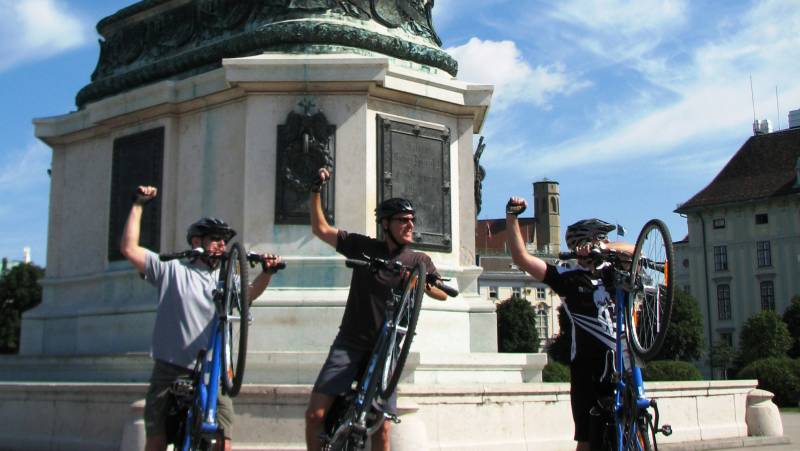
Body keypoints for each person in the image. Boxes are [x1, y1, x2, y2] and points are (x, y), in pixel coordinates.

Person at [120, 185, 283, 451]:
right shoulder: (171, 270)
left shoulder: (227, 279)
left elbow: (249, 295)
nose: (222, 245)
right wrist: (138, 205)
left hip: (214, 370)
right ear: (197, 242)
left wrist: (267, 273)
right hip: (171, 367)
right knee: (157, 439)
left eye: (224, 240)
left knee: (223, 442)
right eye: (216, 238)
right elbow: (129, 249)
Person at [304, 168, 448, 451]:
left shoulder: (419, 259)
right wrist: (315, 191)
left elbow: (441, 293)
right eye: (403, 221)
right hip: (351, 341)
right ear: (385, 224)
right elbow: (320, 228)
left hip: (386, 350)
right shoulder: (363, 247)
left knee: (381, 430)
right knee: (315, 415)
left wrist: (420, 282)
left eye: (412, 220)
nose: (410, 225)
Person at [504, 196, 634, 451]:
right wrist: (512, 217)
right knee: (585, 439)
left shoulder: (615, 271)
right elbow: (521, 258)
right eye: (598, 240)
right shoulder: (567, 276)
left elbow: (634, 249)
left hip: (624, 363)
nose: (603, 245)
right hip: (588, 368)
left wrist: (605, 249)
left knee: (632, 422)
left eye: (604, 240)